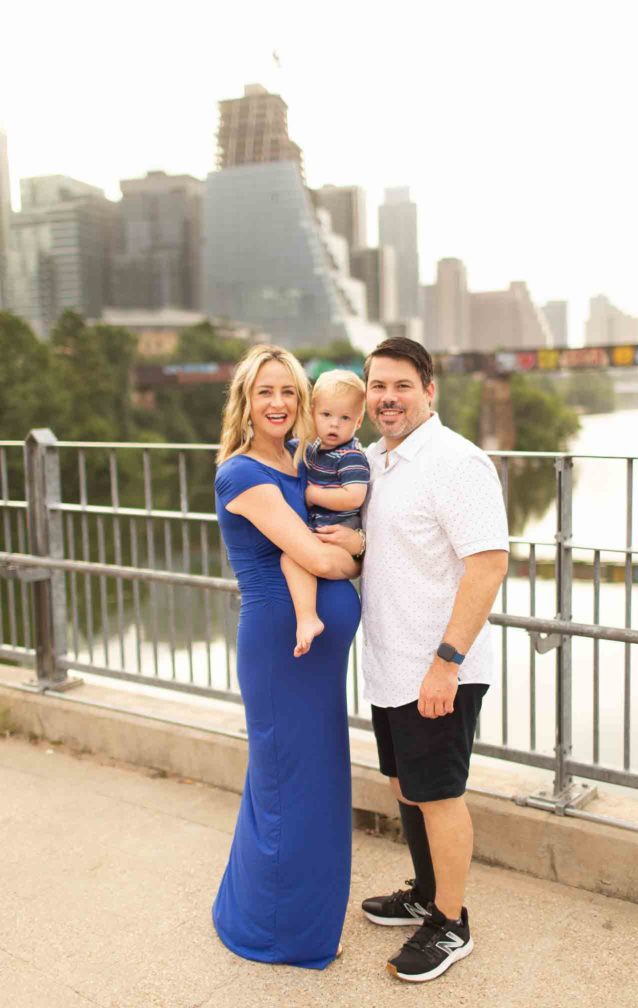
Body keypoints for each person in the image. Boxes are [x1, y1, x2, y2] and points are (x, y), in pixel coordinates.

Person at [316, 337, 509, 983]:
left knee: (440, 794)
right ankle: (426, 893)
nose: (387, 398)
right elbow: (400, 551)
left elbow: (487, 563)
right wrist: (357, 545)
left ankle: (450, 924)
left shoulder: (456, 462)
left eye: (401, 385)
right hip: (390, 661)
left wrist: (446, 662)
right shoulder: (374, 460)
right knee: (406, 788)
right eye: (376, 386)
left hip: (438, 665)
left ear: (429, 391)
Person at [211, 344, 362, 970]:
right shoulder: (242, 473)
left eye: (289, 392)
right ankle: (275, 930)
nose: (278, 403)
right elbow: (323, 559)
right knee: (284, 786)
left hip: (315, 657)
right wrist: (352, 552)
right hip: (281, 648)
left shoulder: (299, 461)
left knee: (316, 783)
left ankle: (293, 914)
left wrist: (351, 538)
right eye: (265, 391)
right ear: (245, 400)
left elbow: (339, 521)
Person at [281, 369, 370, 657]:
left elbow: (354, 496)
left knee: (292, 557)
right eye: (327, 415)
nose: (334, 425)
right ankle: (307, 617)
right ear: (312, 413)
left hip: (338, 536)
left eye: (345, 418)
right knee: (294, 558)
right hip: (320, 534)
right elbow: (291, 445)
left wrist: (311, 494)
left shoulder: (351, 456)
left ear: (358, 421)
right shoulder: (313, 449)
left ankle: (308, 618)